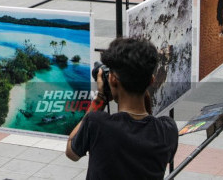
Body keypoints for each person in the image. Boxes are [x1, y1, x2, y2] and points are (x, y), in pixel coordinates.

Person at [66, 37, 178, 179]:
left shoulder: (97, 123)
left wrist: (100, 98)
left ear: (112, 79)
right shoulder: (167, 130)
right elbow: (147, 126)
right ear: (151, 81)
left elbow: (71, 151)